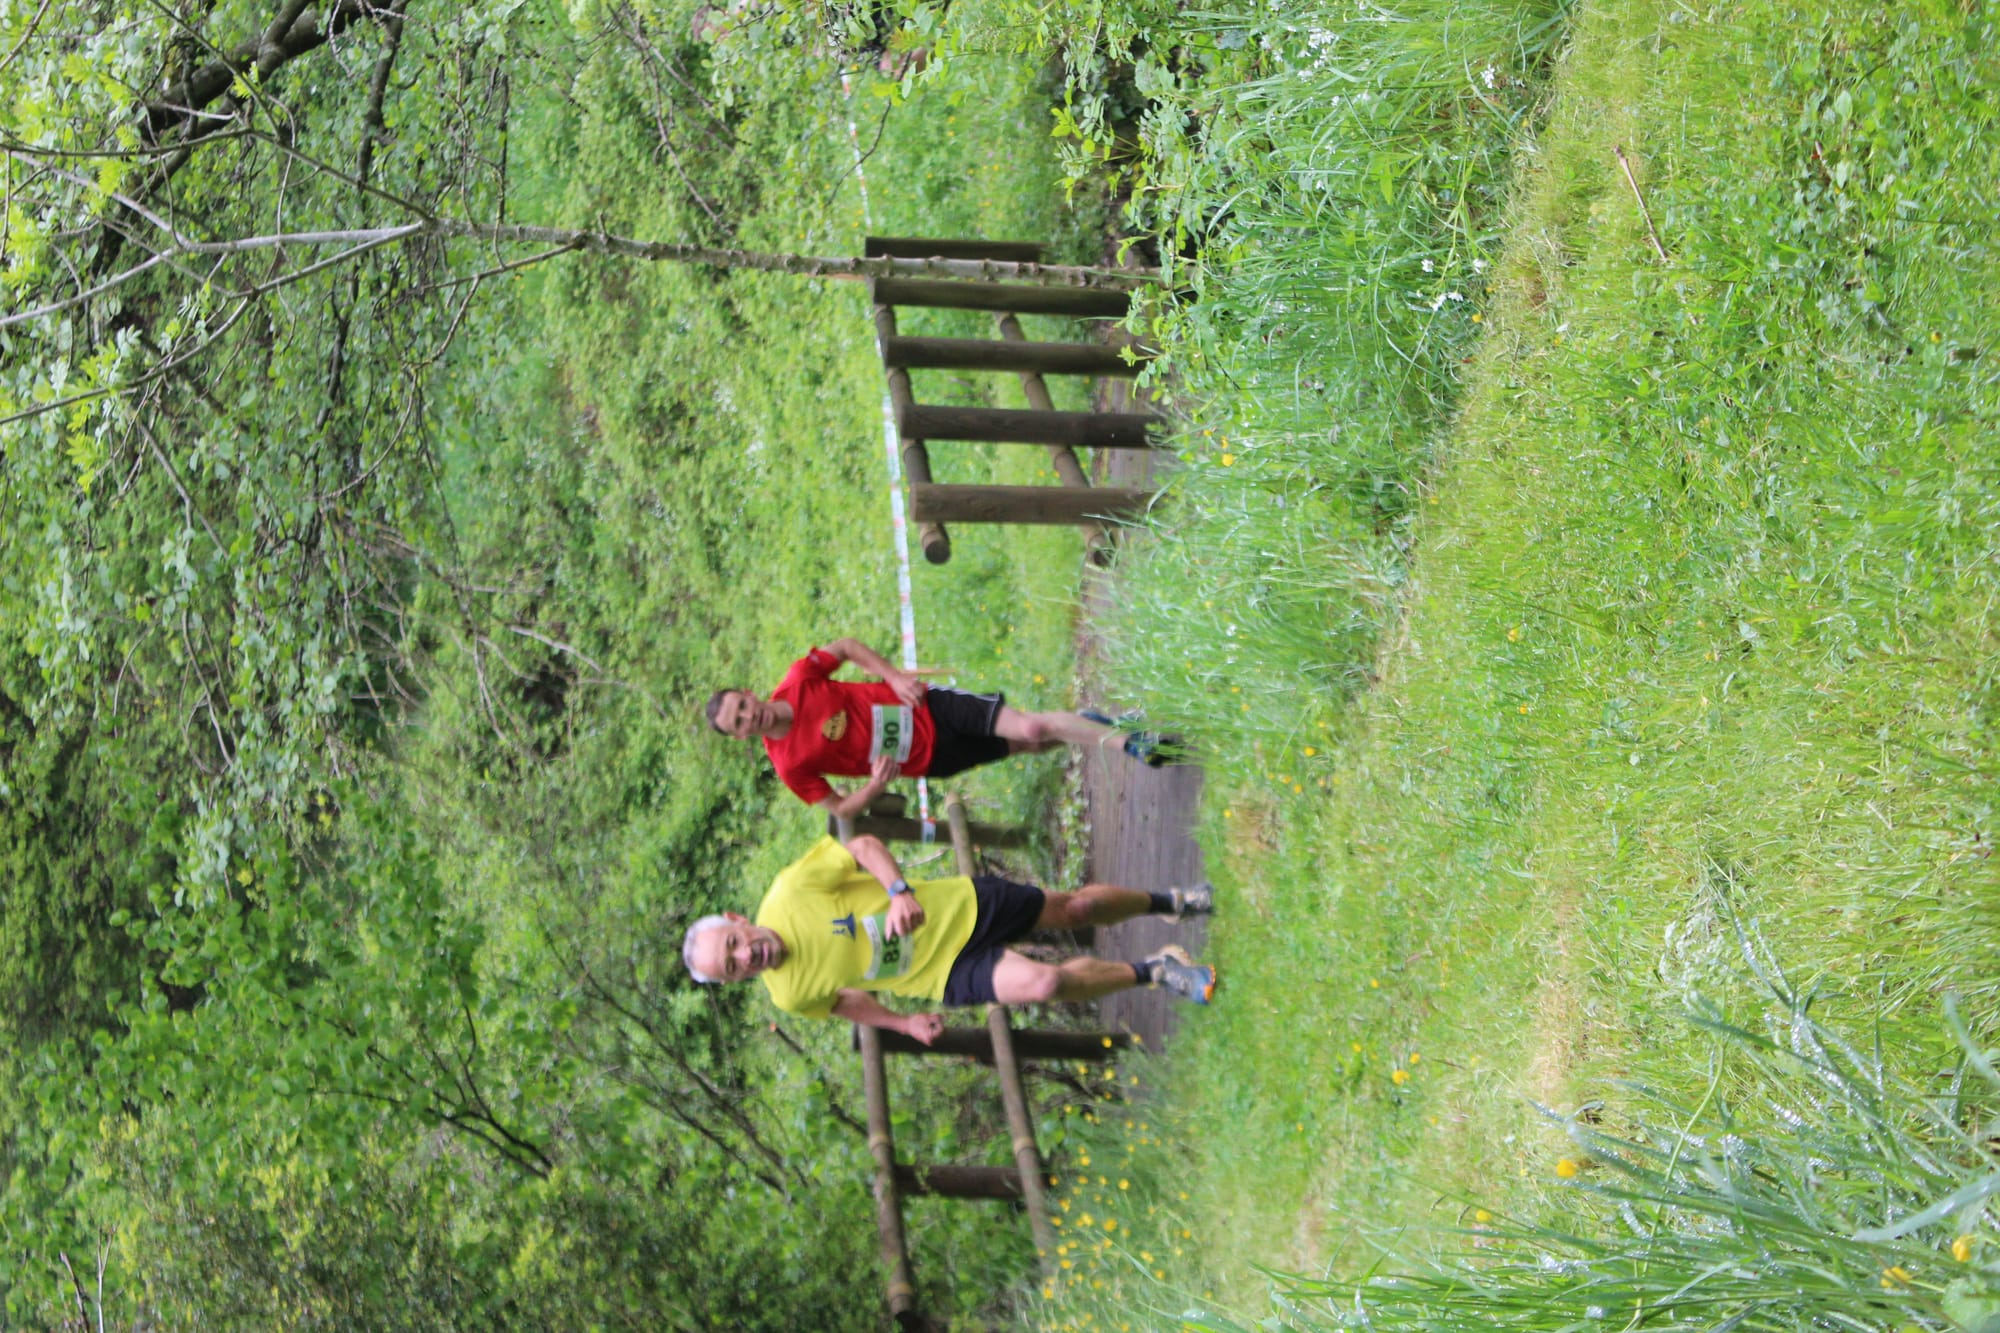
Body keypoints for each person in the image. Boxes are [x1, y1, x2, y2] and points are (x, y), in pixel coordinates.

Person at [681, 833, 1216, 1037]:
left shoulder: (790, 889)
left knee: (1073, 909)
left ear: (737, 920)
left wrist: (896, 891)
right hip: (941, 973)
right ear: (735, 981)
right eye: (734, 966)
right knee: (1045, 985)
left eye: (734, 943)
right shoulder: (789, 995)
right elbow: (846, 1004)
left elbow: (864, 844)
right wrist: (905, 1023)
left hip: (960, 909)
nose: (747, 954)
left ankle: (1169, 902)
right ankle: (1156, 970)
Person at [704, 637, 1178, 817]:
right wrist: (873, 787)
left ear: (748, 693)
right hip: (928, 759)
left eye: (741, 707)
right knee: (1030, 746)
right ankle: (1095, 725)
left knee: (1030, 729)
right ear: (742, 736)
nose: (749, 717)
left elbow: (845, 645)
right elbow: (840, 809)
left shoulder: (799, 679)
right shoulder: (789, 766)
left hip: (929, 708)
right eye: (739, 724)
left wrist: (892, 675)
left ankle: (1127, 742)